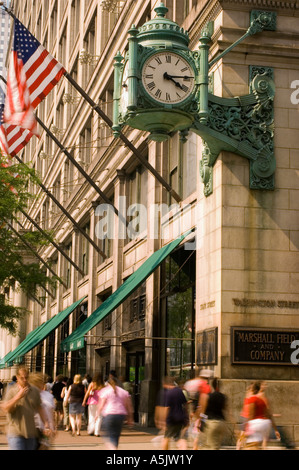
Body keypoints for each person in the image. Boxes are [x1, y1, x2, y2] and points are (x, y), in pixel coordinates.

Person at [0, 366, 51, 450]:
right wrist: (18, 397)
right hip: (15, 433)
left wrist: (46, 424)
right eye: (22, 378)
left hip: (31, 433)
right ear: (17, 377)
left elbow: (39, 407)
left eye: (26, 377)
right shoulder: (11, 390)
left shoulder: (34, 390)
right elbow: (6, 409)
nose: (24, 380)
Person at [97, 373, 134, 450]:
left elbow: (101, 404)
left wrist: (97, 414)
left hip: (109, 414)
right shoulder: (123, 392)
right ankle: (114, 449)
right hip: (120, 415)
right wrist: (130, 418)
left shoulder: (105, 391)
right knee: (115, 435)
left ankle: (112, 449)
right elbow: (129, 406)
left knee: (105, 433)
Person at [244, 381, 279, 450]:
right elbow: (268, 415)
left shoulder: (252, 399)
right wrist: (275, 429)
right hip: (266, 424)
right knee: (260, 445)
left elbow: (251, 414)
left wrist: (246, 427)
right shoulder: (262, 400)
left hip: (256, 424)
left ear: (253, 390)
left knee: (250, 446)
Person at [29, 372, 56, 449]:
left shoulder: (49, 396)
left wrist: (53, 426)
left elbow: (51, 412)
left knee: (44, 447)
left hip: (45, 429)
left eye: (42, 382)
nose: (42, 385)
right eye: (39, 383)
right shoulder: (29, 394)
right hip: (33, 427)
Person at [161, 377, 189, 451]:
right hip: (180, 417)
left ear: (167, 384)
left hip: (171, 418)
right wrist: (186, 416)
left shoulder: (168, 393)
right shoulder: (180, 391)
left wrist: (164, 420)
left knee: (166, 437)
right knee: (180, 438)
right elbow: (186, 405)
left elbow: (167, 408)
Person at [200, 378, 227, 450]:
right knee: (216, 446)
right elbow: (226, 410)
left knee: (210, 446)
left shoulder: (208, 396)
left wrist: (201, 422)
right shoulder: (223, 397)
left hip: (211, 423)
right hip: (221, 423)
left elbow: (203, 411)